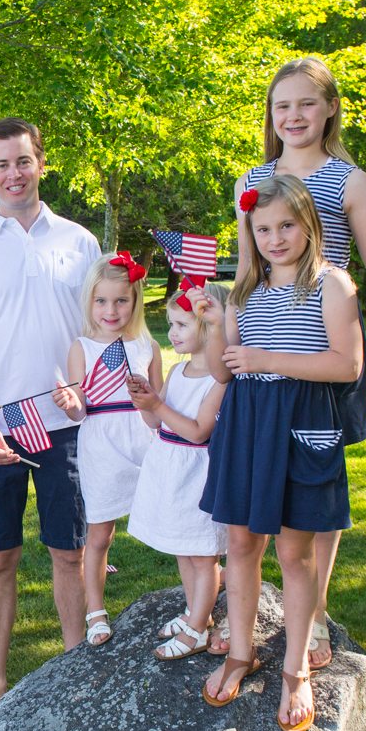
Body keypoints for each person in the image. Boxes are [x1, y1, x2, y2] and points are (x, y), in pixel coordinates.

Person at [209, 57, 366, 667]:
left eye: (306, 104)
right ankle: (252, 620)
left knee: (317, 484)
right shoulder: (252, 182)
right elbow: (252, 264)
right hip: (264, 346)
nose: (294, 117)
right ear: (270, 115)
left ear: (330, 107)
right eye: (282, 106)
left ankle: (315, 619)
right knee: (260, 498)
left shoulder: (350, 180)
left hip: (326, 344)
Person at [0, 118, 102, 731]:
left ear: (41, 163)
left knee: (71, 552)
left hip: (67, 425)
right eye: (1, 165)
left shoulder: (80, 243)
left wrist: (84, 389)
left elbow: (101, 332)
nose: (14, 174)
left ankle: (77, 676)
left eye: (23, 162)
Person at [194, 175, 363, 731]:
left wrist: (271, 357)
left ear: (309, 224)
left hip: (302, 421)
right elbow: (223, 371)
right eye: (262, 228)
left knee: (295, 552)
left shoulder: (332, 284)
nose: (274, 238)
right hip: (247, 426)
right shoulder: (243, 292)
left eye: (286, 225)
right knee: (241, 542)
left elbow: (347, 365)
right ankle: (240, 652)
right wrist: (218, 328)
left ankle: (295, 670)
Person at [50, 254, 160, 646]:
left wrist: (148, 404)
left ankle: (196, 601)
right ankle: (95, 610)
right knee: (99, 534)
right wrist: (69, 402)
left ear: (135, 301)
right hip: (101, 442)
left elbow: (157, 412)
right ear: (89, 303)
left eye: (120, 301)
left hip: (143, 440)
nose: (111, 311)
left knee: (177, 519)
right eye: (101, 301)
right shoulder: (81, 347)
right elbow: (81, 410)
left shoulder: (147, 346)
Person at [127, 282, 231, 659]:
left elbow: (198, 430)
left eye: (182, 324)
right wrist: (144, 402)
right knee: (184, 551)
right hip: (169, 469)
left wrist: (159, 403)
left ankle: (197, 630)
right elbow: (158, 424)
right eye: (171, 324)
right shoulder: (176, 370)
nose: (172, 333)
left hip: (196, 474)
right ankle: (194, 611)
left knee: (203, 555)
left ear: (208, 326)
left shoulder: (218, 380)